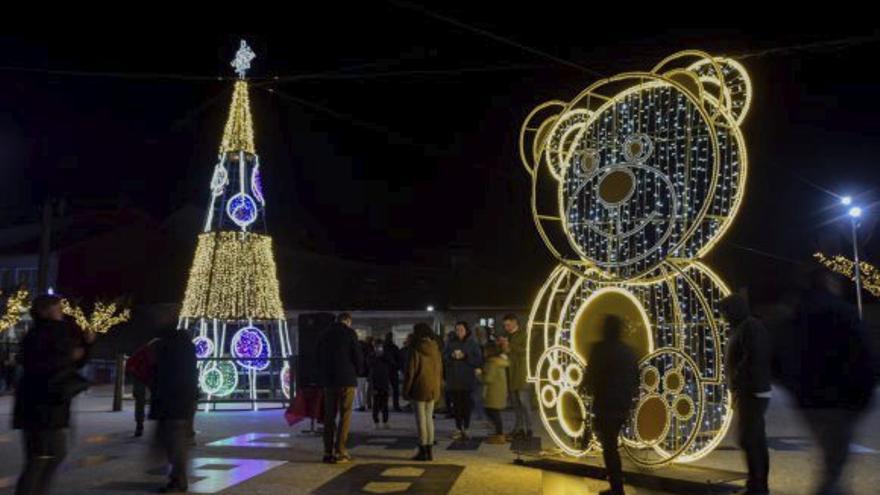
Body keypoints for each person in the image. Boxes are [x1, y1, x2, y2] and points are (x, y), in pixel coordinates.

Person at [779, 270, 876, 495]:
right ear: (828, 283)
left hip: (811, 401)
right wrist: (863, 395)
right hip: (841, 399)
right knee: (834, 465)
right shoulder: (842, 311)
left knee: (832, 463)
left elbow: (782, 356)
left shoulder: (797, 315)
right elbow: (864, 353)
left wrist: (796, 390)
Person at [14, 294, 93, 495]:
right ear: (44, 311)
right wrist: (72, 354)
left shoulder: (50, 332)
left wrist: (87, 345)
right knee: (42, 457)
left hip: (47, 405)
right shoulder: (45, 333)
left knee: (47, 456)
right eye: (56, 307)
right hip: (43, 405)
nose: (61, 311)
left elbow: (73, 362)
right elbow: (44, 365)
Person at [720, 293, 773, 495]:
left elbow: (753, 357)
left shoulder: (750, 327)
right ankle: (757, 485)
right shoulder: (743, 327)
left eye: (725, 311)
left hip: (751, 391)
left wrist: (737, 378)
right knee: (753, 439)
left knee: (750, 439)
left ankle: (757, 486)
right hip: (748, 390)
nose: (723, 316)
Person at [585, 315, 639, 495]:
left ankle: (617, 488)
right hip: (622, 404)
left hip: (605, 404)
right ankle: (616, 486)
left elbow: (591, 374)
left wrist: (586, 386)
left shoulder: (600, 349)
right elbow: (636, 378)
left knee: (609, 447)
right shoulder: (628, 351)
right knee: (611, 444)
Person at [149, 328, 198, 493]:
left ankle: (179, 480)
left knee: (175, 444)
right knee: (174, 443)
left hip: (174, 405)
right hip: (180, 404)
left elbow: (165, 379)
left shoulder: (171, 352)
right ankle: (176, 478)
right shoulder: (186, 351)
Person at [316, 313, 364, 464]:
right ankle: (341, 450)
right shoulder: (350, 333)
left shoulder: (324, 334)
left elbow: (317, 356)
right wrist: (359, 371)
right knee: (345, 414)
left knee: (329, 416)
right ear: (348, 321)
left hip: (329, 381)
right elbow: (357, 355)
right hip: (346, 379)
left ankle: (327, 451)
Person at [403, 323, 442, 461]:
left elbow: (410, 371)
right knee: (429, 419)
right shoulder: (435, 348)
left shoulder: (415, 348)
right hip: (432, 387)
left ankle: (423, 449)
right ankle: (429, 450)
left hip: (419, 387)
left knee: (421, 420)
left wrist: (406, 390)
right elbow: (440, 370)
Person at [443, 321, 483, 440]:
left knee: (466, 405)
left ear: (466, 330)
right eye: (457, 330)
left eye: (461, 329)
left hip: (467, 379)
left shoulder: (472, 343)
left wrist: (465, 357)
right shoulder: (450, 343)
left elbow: (478, 360)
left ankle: (466, 427)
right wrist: (451, 356)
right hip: (453, 379)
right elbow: (443, 357)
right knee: (456, 406)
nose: (459, 332)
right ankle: (458, 428)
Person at [499, 314, 532, 438]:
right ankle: (519, 428)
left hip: (521, 373)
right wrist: (502, 347)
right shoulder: (507, 335)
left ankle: (529, 429)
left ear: (515, 322)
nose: (506, 327)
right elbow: (506, 351)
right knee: (515, 404)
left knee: (524, 402)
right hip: (510, 373)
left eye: (508, 325)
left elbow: (526, 351)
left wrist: (510, 345)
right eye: (504, 325)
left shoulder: (524, 334)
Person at [126, 339, 157, 437]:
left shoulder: (154, 352)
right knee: (140, 400)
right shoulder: (143, 352)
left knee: (142, 400)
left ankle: (142, 423)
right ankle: (140, 424)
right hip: (141, 378)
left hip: (149, 378)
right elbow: (130, 364)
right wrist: (136, 373)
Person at [479, 341, 509, 444]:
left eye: (485, 350)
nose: (483, 352)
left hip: (493, 392)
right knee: (494, 413)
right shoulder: (498, 361)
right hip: (498, 391)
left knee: (493, 413)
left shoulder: (492, 363)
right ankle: (497, 434)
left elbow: (488, 379)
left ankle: (499, 435)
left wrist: (479, 374)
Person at [369, 339, 393, 429]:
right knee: (376, 404)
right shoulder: (371, 356)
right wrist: (376, 356)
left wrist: (383, 356)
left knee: (385, 404)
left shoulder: (386, 355)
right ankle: (376, 422)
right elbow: (369, 364)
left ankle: (385, 421)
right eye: (376, 346)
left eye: (379, 346)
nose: (378, 348)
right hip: (375, 383)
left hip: (384, 382)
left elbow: (392, 363)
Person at [384, 332, 403, 412]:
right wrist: (397, 366)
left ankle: (385, 405)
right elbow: (399, 358)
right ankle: (395, 405)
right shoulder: (394, 347)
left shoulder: (385, 347)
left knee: (385, 389)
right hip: (392, 370)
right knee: (394, 389)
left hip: (387, 370)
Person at [356, 336, 374, 412]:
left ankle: (361, 405)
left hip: (360, 374)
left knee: (359, 390)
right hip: (365, 373)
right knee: (363, 390)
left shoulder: (360, 354)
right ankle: (363, 404)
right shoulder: (368, 352)